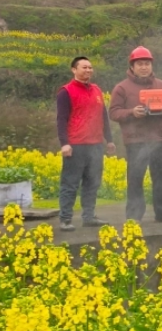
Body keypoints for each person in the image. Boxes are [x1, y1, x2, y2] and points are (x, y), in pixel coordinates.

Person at [108, 46, 162, 224]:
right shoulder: (121, 88)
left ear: (151, 65)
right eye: (139, 64)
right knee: (135, 178)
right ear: (132, 66)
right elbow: (114, 112)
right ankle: (133, 216)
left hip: (159, 139)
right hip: (135, 140)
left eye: (147, 63)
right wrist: (132, 112)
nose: (144, 67)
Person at [57, 56, 116, 231]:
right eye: (84, 67)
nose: (88, 70)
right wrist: (64, 143)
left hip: (96, 144)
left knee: (93, 182)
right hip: (76, 145)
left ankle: (89, 216)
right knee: (70, 183)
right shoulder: (65, 91)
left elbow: (103, 116)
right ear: (74, 70)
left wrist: (110, 140)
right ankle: (65, 219)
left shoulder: (97, 90)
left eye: (90, 67)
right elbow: (61, 119)